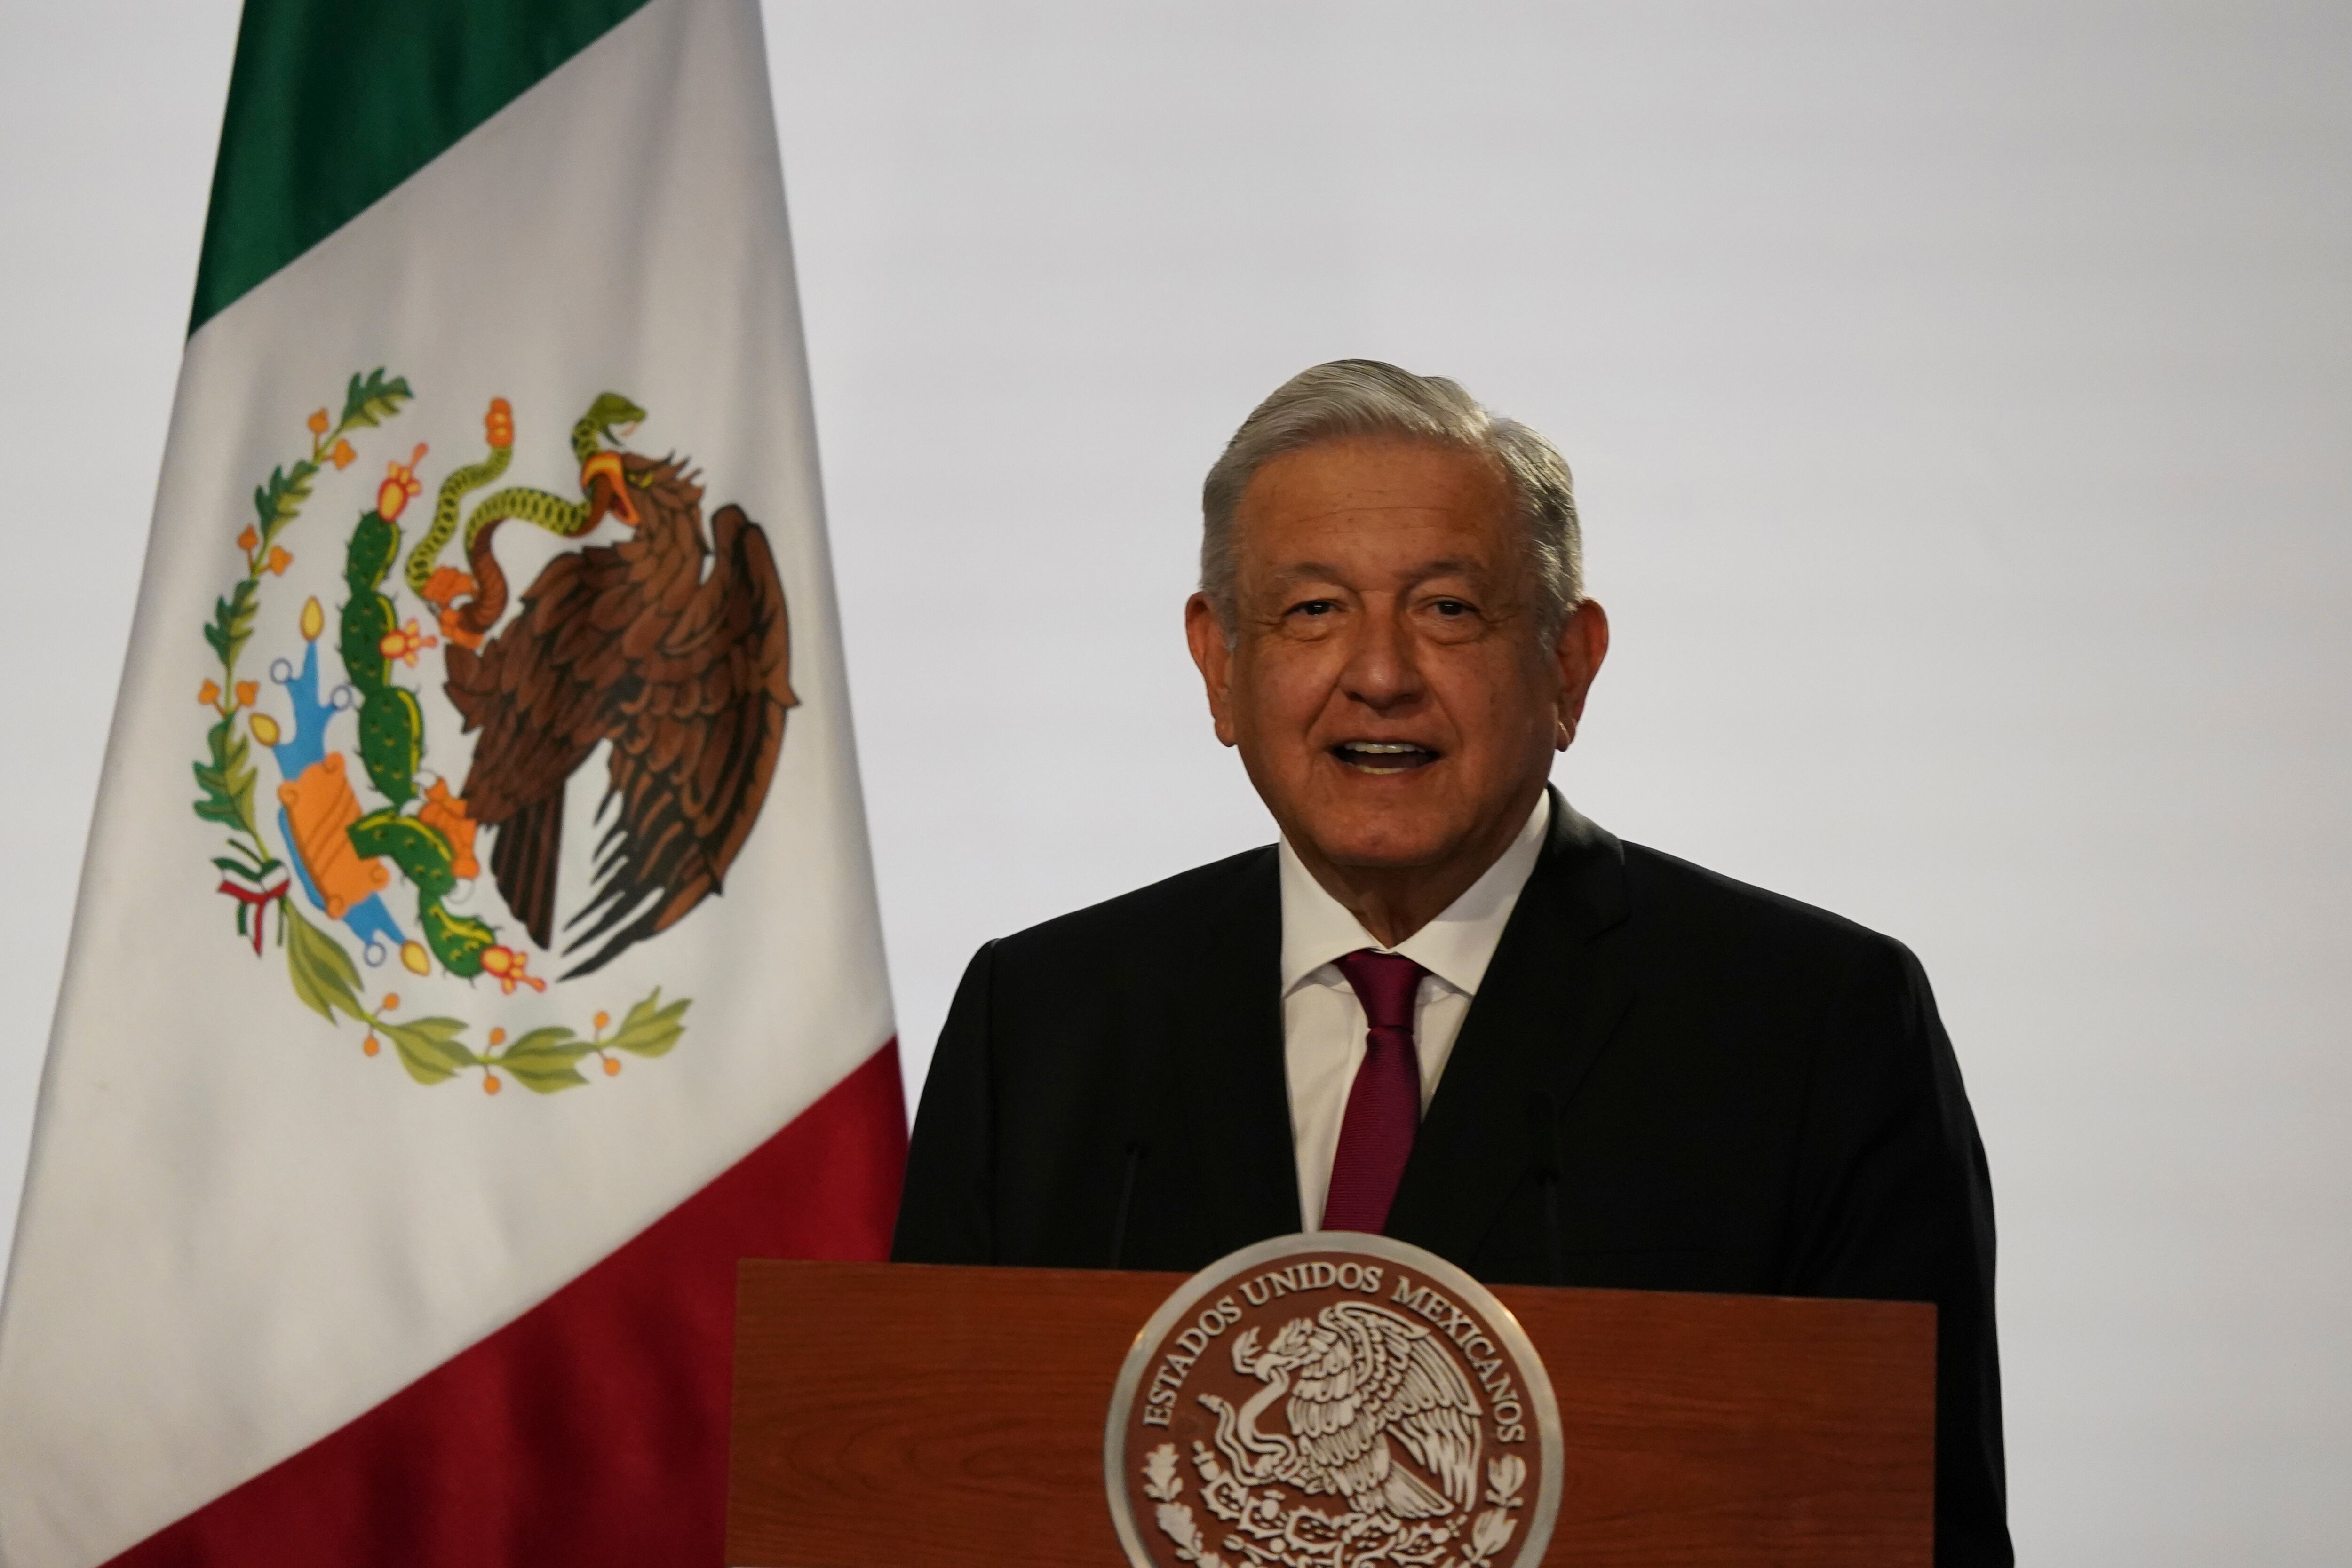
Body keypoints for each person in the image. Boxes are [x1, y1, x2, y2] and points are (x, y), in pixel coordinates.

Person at [892, 359, 2009, 1564]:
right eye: (1312, 609)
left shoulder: (1811, 1024)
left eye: (1448, 610)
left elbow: (1918, 1525)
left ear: (1569, 663)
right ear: (1219, 662)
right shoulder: (1046, 1020)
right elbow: (915, 1495)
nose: (1380, 672)